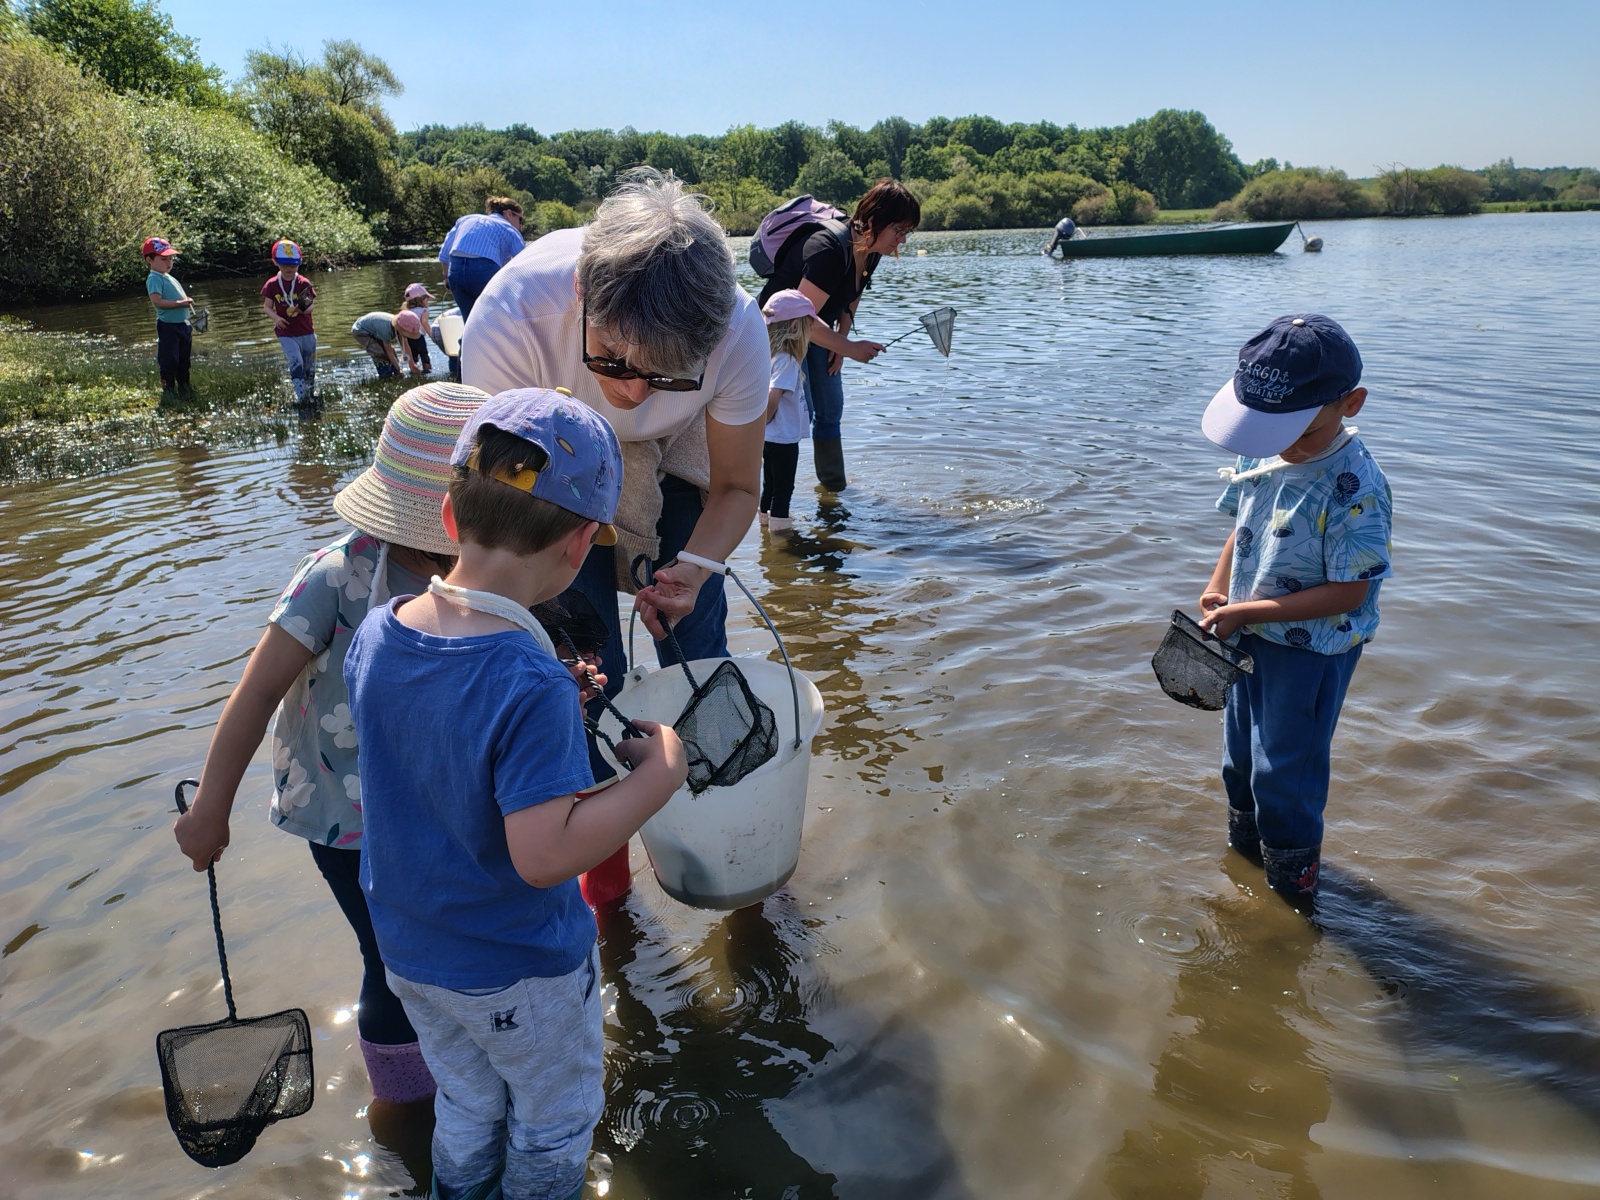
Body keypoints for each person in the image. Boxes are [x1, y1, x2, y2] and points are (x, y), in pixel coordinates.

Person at [345, 388, 686, 1200]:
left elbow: (438, 744)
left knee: (468, 1101)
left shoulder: (380, 629)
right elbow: (543, 856)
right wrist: (660, 775)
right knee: (553, 1119)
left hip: (413, 954)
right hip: (515, 968)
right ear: (580, 546)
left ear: (450, 517)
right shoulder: (530, 678)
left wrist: (547, 708)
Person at [173, 382, 492, 1109]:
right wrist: (211, 808)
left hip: (440, 804)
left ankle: (463, 1077)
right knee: (388, 957)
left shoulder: (486, 574)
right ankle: (405, 1106)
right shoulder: (336, 576)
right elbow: (256, 694)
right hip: (345, 811)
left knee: (448, 944)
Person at [461, 167, 768, 706]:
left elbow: (737, 488)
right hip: (552, 463)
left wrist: (694, 571)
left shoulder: (738, 329)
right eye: (613, 360)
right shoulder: (512, 317)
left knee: (695, 638)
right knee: (584, 654)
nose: (632, 394)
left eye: (666, 377)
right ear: (581, 292)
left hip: (678, 447)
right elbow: (501, 502)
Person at [1196, 314, 1393, 907]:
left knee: (1284, 770)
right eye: (1267, 429)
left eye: (1299, 431)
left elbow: (1350, 591)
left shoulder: (1356, 485)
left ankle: (1290, 894)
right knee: (1239, 761)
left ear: (1350, 404)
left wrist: (1250, 611)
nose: (1283, 444)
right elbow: (1242, 525)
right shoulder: (1264, 454)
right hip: (1249, 627)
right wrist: (1219, 588)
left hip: (1312, 648)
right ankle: (1245, 857)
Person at [755, 178, 921, 492]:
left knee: (830, 410)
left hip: (815, 326)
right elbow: (799, 319)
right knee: (794, 412)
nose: (902, 240)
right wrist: (850, 347)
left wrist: (842, 343)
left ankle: (833, 492)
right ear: (873, 221)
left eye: (907, 232)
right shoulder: (828, 250)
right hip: (780, 333)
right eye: (898, 230)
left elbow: (852, 295)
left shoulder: (871, 249)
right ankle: (772, 498)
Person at [758, 288, 816, 532]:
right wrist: (765, 420)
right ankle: (781, 537)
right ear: (794, 328)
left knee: (770, 485)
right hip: (782, 438)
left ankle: (764, 529)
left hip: (769, 438)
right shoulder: (787, 361)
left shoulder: (768, 356)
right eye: (808, 327)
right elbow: (773, 396)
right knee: (783, 488)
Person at [439, 196, 527, 320]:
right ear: (508, 213)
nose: (520, 226)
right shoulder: (509, 230)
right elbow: (524, 262)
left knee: (469, 321)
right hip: (483, 271)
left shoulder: (465, 220)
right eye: (520, 220)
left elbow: (444, 254)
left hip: (456, 272)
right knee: (492, 320)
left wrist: (446, 278)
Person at [261, 239, 317, 404]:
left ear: (299, 263)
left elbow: (311, 306)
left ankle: (310, 395)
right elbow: (267, 307)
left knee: (309, 367)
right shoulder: (272, 284)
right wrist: (276, 318)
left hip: (306, 331)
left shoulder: (303, 282)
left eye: (293, 265)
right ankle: (300, 397)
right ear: (275, 263)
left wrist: (301, 310)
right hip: (285, 332)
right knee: (296, 361)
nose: (289, 269)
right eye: (284, 265)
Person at [143, 236, 193, 398]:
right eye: (164, 259)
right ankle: (168, 389)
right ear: (150, 260)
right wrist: (180, 303)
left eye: (170, 259)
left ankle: (184, 386)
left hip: (182, 324)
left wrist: (185, 301)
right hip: (168, 326)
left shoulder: (167, 276)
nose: (169, 263)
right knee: (170, 359)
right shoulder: (154, 278)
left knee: (184, 359)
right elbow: (157, 301)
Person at [352, 309, 425, 378]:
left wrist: (412, 364)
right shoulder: (387, 330)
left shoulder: (400, 326)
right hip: (361, 331)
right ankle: (385, 377)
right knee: (379, 354)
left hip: (375, 328)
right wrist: (399, 369)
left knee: (393, 351)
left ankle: (395, 374)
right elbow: (389, 351)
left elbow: (405, 346)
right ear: (402, 329)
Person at [401, 282, 435, 375]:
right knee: (424, 355)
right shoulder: (424, 310)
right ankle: (427, 372)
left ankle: (414, 373)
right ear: (422, 299)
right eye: (427, 299)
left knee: (413, 357)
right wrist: (431, 335)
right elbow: (424, 322)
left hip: (408, 339)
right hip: (419, 337)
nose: (427, 301)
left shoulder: (406, 312)